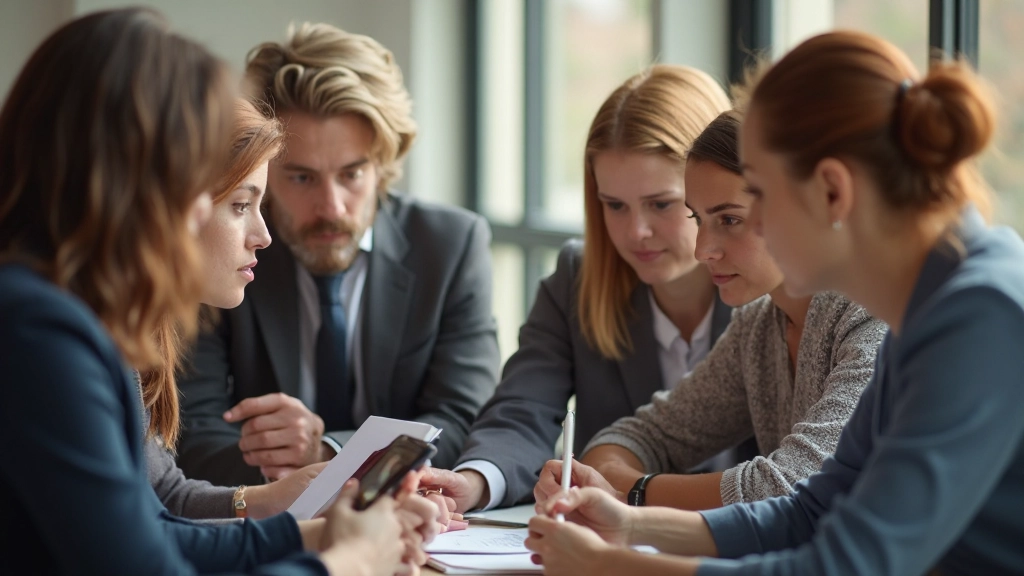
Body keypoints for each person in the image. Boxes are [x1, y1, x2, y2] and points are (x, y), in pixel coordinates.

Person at [524, 30, 1024, 576]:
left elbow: (845, 565)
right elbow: (813, 508)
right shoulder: (928, 305)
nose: (752, 225)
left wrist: (614, 565)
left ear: (832, 191)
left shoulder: (980, 315)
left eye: (756, 198)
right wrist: (631, 524)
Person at [0, 8, 428, 575]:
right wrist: (347, 562)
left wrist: (319, 536)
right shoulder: (41, 332)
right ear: (137, 184)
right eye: (233, 202)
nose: (263, 233)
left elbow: (153, 530)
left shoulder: (69, 314)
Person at [420, 65, 756, 514]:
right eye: (614, 205)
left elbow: (799, 476)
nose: (637, 231)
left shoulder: (775, 298)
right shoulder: (577, 279)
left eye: (662, 204)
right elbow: (523, 410)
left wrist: (634, 493)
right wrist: (474, 482)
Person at [176, 22, 500, 486]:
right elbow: (190, 434)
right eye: (302, 178)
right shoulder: (222, 253)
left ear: (384, 164)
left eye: (352, 174)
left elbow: (462, 420)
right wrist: (295, 477)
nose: (331, 207)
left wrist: (328, 451)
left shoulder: (451, 246)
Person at [534, 110, 886, 511]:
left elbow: (794, 486)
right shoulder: (757, 328)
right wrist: (610, 484)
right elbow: (638, 437)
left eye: (730, 219)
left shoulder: (872, 314)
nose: (703, 250)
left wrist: (632, 494)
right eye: (697, 219)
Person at [141, 98, 328, 521]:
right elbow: (134, 546)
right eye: (241, 206)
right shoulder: (82, 337)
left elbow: (164, 494)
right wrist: (318, 539)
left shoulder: (140, 329)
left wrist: (277, 496)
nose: (263, 236)